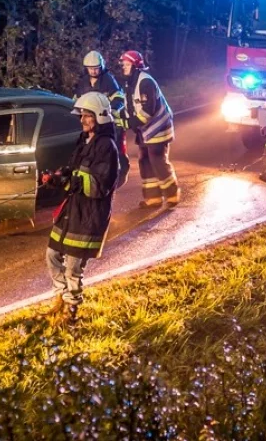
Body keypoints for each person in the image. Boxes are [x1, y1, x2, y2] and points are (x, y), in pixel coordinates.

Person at [41, 92, 119, 325]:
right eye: (82, 115)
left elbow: (99, 185)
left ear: (100, 117)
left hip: (89, 214)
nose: (83, 120)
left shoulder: (107, 147)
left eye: (88, 116)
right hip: (72, 209)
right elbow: (73, 172)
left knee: (73, 266)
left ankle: (71, 308)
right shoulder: (83, 141)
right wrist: (58, 178)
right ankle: (59, 297)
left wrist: (75, 180)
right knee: (52, 254)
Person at [120, 50, 178, 208]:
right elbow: (131, 105)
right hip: (145, 130)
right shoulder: (130, 82)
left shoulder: (146, 82)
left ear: (135, 66)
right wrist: (121, 116)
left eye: (126, 65)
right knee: (144, 161)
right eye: (123, 65)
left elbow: (148, 111)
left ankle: (172, 194)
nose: (124, 68)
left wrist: (129, 123)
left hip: (158, 128)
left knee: (157, 160)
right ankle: (153, 198)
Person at [74, 50, 130, 188]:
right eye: (90, 68)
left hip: (108, 124)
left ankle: (117, 176)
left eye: (96, 68)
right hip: (91, 125)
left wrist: (110, 110)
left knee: (113, 152)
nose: (93, 71)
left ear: (101, 66)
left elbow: (119, 98)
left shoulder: (108, 80)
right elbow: (76, 100)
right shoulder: (83, 82)